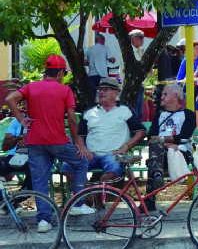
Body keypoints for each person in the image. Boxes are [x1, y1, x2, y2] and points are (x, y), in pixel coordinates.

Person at [6, 55, 93, 230]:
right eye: (64, 72)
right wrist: (79, 143)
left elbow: (9, 99)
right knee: (82, 160)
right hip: (57, 141)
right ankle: (77, 204)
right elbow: (72, 119)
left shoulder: (31, 87)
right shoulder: (65, 90)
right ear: (60, 72)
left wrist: (22, 119)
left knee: (40, 180)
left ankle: (43, 221)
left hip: (35, 142)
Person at [73, 78, 146, 181]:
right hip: (91, 155)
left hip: (113, 154)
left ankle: (98, 191)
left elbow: (141, 132)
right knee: (68, 167)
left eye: (106, 89)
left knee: (113, 170)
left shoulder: (124, 111)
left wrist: (126, 146)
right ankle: (86, 194)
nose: (101, 92)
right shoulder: (90, 112)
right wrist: (83, 148)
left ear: (116, 92)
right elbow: (80, 135)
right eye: (100, 90)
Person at [145, 84, 197, 211]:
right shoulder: (159, 115)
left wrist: (163, 139)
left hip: (180, 154)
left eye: (165, 94)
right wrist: (167, 142)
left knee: (155, 157)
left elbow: (184, 136)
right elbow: (151, 135)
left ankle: (148, 202)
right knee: (156, 150)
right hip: (161, 154)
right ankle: (157, 175)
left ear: (176, 96)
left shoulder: (188, 114)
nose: (161, 97)